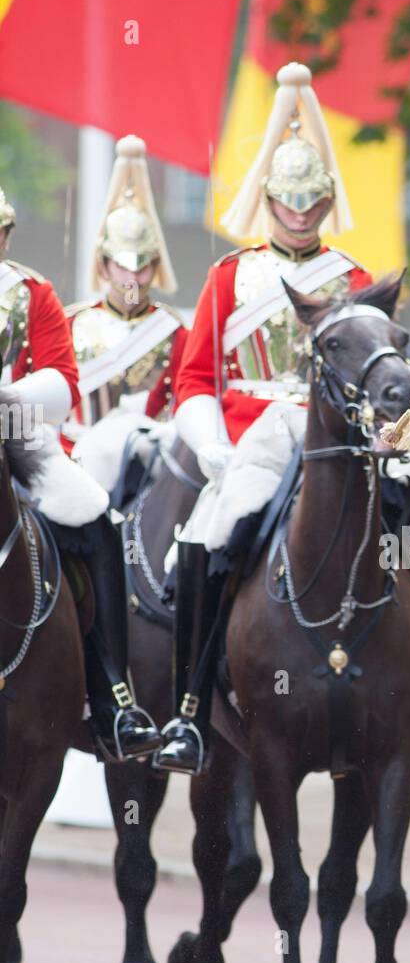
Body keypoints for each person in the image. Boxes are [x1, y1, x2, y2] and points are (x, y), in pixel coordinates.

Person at [155, 62, 377, 775]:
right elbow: (194, 377)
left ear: (327, 200)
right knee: (208, 532)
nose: (301, 212)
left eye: (313, 201)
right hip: (252, 437)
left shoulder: (355, 278)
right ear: (269, 200)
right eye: (289, 200)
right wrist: (212, 444)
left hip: (338, 441)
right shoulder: (231, 276)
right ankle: (190, 710)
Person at [0, 187, 160, 761]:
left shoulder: (30, 292)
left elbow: (63, 382)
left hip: (15, 430)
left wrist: (6, 397)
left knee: (94, 512)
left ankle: (113, 696)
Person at [63, 135, 187, 498]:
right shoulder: (71, 324)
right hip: (78, 465)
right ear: (103, 265)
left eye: (143, 266)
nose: (133, 278)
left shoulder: (176, 332)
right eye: (123, 266)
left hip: (151, 471)